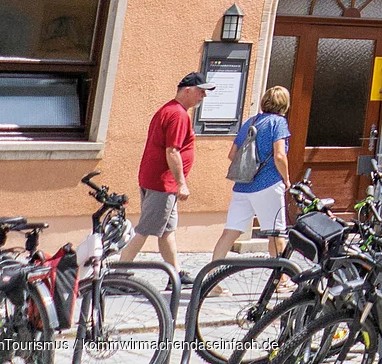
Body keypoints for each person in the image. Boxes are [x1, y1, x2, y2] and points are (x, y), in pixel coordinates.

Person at [123, 73, 205, 271]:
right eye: (201, 91)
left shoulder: (170, 109)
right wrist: (181, 183)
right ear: (188, 90)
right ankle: (117, 272)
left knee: (167, 231)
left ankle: (174, 275)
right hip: (163, 183)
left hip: (158, 181)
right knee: (144, 230)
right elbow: (172, 151)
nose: (203, 96)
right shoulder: (178, 114)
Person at [212, 86, 293, 262]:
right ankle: (282, 279)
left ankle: (211, 278)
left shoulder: (251, 121)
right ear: (284, 104)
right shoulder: (278, 123)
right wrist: (286, 179)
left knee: (230, 232)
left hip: (242, 186)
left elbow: (232, 155)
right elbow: (279, 155)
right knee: (276, 232)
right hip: (268, 183)